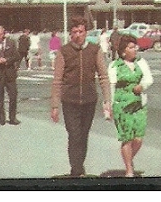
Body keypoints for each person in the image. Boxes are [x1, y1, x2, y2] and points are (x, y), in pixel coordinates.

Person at [50, 16, 112, 178]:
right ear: (71, 34)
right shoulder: (64, 52)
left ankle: (79, 165)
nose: (78, 35)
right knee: (74, 134)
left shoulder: (95, 50)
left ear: (86, 32)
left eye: (81, 31)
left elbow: (104, 77)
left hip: (89, 100)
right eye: (75, 32)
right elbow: (57, 80)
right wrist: (55, 105)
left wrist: (107, 100)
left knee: (84, 135)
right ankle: (76, 169)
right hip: (69, 100)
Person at [109, 35, 154, 178]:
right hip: (121, 105)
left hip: (139, 103)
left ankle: (128, 159)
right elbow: (111, 86)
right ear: (123, 51)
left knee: (138, 139)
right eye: (131, 47)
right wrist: (109, 105)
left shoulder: (141, 62)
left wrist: (142, 86)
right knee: (126, 138)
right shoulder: (114, 65)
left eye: (135, 46)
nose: (135, 49)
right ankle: (129, 170)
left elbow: (149, 78)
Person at [0, 26, 21, 125]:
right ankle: (2, 119)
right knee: (0, 97)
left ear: (4, 33)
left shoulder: (11, 43)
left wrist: (6, 60)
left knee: (13, 96)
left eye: (1, 34)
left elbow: (17, 56)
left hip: (10, 73)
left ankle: (12, 118)